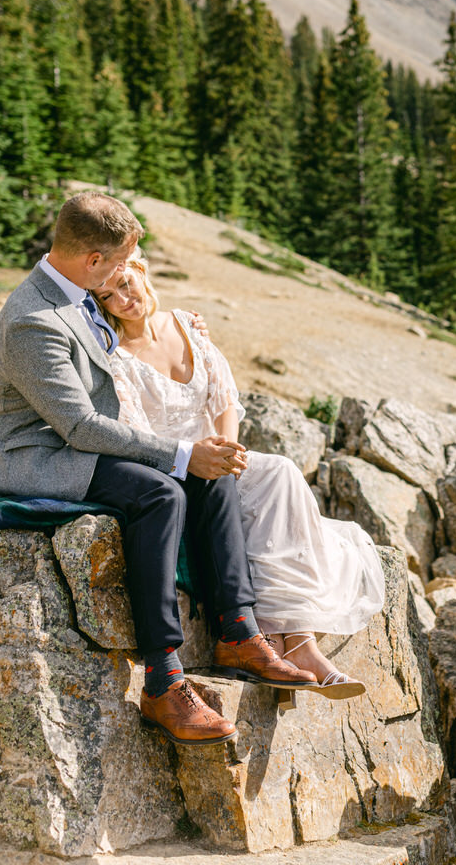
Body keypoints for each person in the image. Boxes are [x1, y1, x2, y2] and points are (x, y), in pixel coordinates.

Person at [0, 191, 317, 749]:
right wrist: (179, 454)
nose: (129, 271)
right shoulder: (32, 321)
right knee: (160, 493)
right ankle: (162, 679)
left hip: (86, 446)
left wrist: (179, 325)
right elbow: (78, 426)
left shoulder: (78, 289)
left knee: (209, 470)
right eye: (122, 261)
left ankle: (239, 631)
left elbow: (128, 342)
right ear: (94, 261)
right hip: (42, 458)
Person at [92, 253, 384, 700]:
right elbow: (138, 435)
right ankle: (272, 642)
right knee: (225, 483)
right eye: (108, 296)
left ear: (144, 272)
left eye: (127, 284)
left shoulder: (188, 326)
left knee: (281, 472)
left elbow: (224, 396)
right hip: (174, 468)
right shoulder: (117, 358)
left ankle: (298, 642)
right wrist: (199, 459)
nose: (124, 300)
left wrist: (228, 449)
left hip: (218, 457)